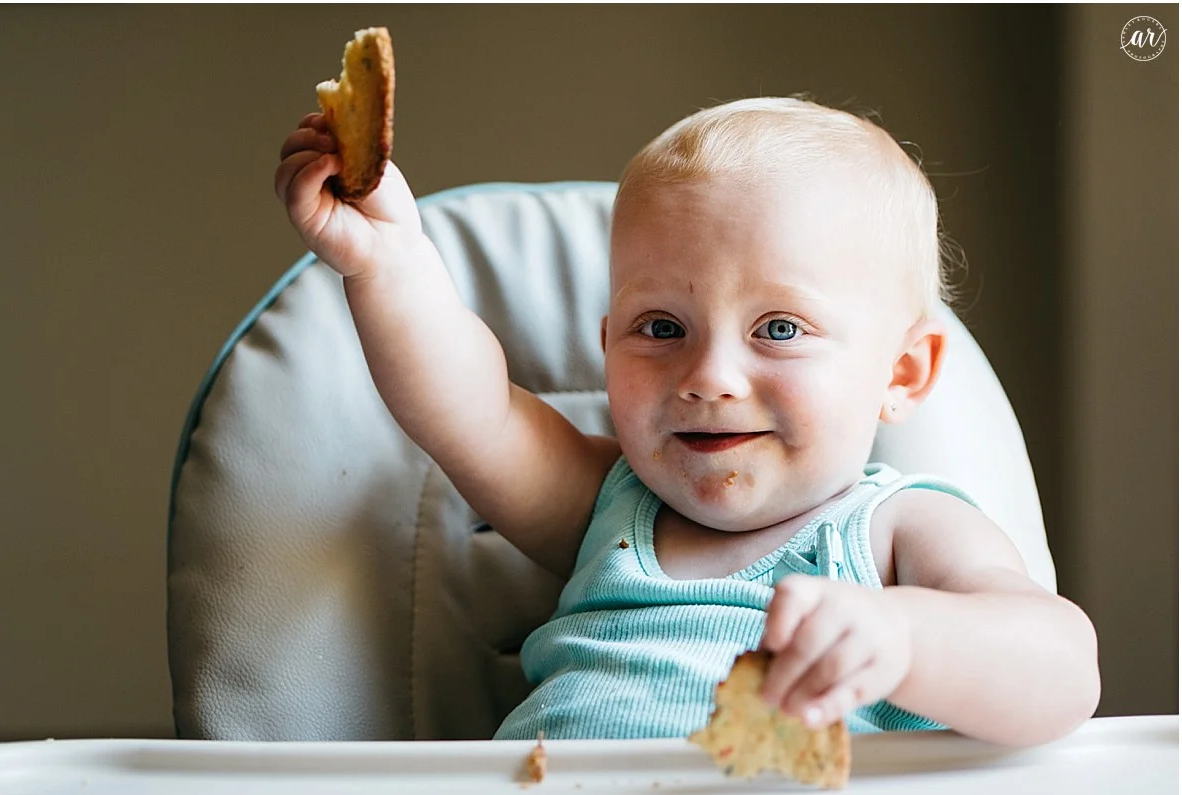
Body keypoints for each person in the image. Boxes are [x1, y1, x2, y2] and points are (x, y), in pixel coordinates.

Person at [275, 97, 1100, 747]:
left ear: (900, 372)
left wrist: (906, 638)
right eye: (661, 328)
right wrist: (387, 261)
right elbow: (470, 409)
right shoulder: (607, 505)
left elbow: (1061, 666)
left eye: (779, 328)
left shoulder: (898, 531)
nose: (708, 376)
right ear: (607, 345)